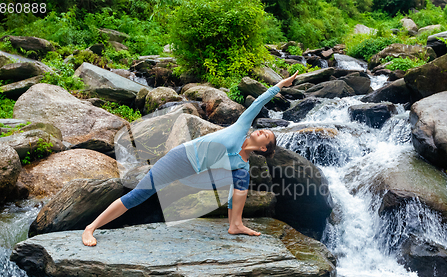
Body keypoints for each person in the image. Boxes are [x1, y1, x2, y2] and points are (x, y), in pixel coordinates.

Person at [81, 71, 299, 246]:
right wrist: (281, 84)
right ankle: (91, 227)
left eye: (266, 136)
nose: (262, 132)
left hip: (194, 176)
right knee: (139, 195)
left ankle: (235, 224)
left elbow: (237, 189)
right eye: (263, 131)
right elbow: (258, 103)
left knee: (241, 181)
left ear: (262, 148)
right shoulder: (240, 128)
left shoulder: (242, 164)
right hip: (180, 159)